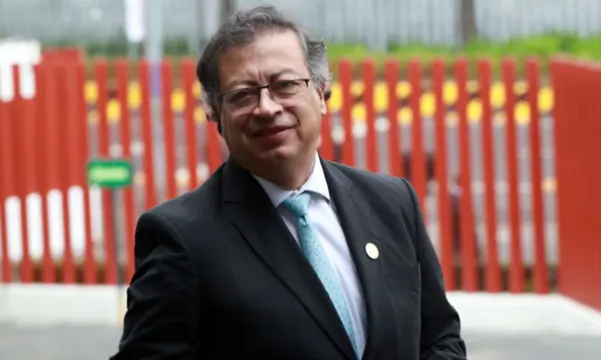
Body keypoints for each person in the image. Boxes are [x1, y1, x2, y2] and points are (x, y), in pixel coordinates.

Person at [111, 5, 466, 360]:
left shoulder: (391, 203)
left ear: (321, 93)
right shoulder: (182, 238)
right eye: (243, 94)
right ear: (215, 114)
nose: (266, 107)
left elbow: (439, 338)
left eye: (285, 85)